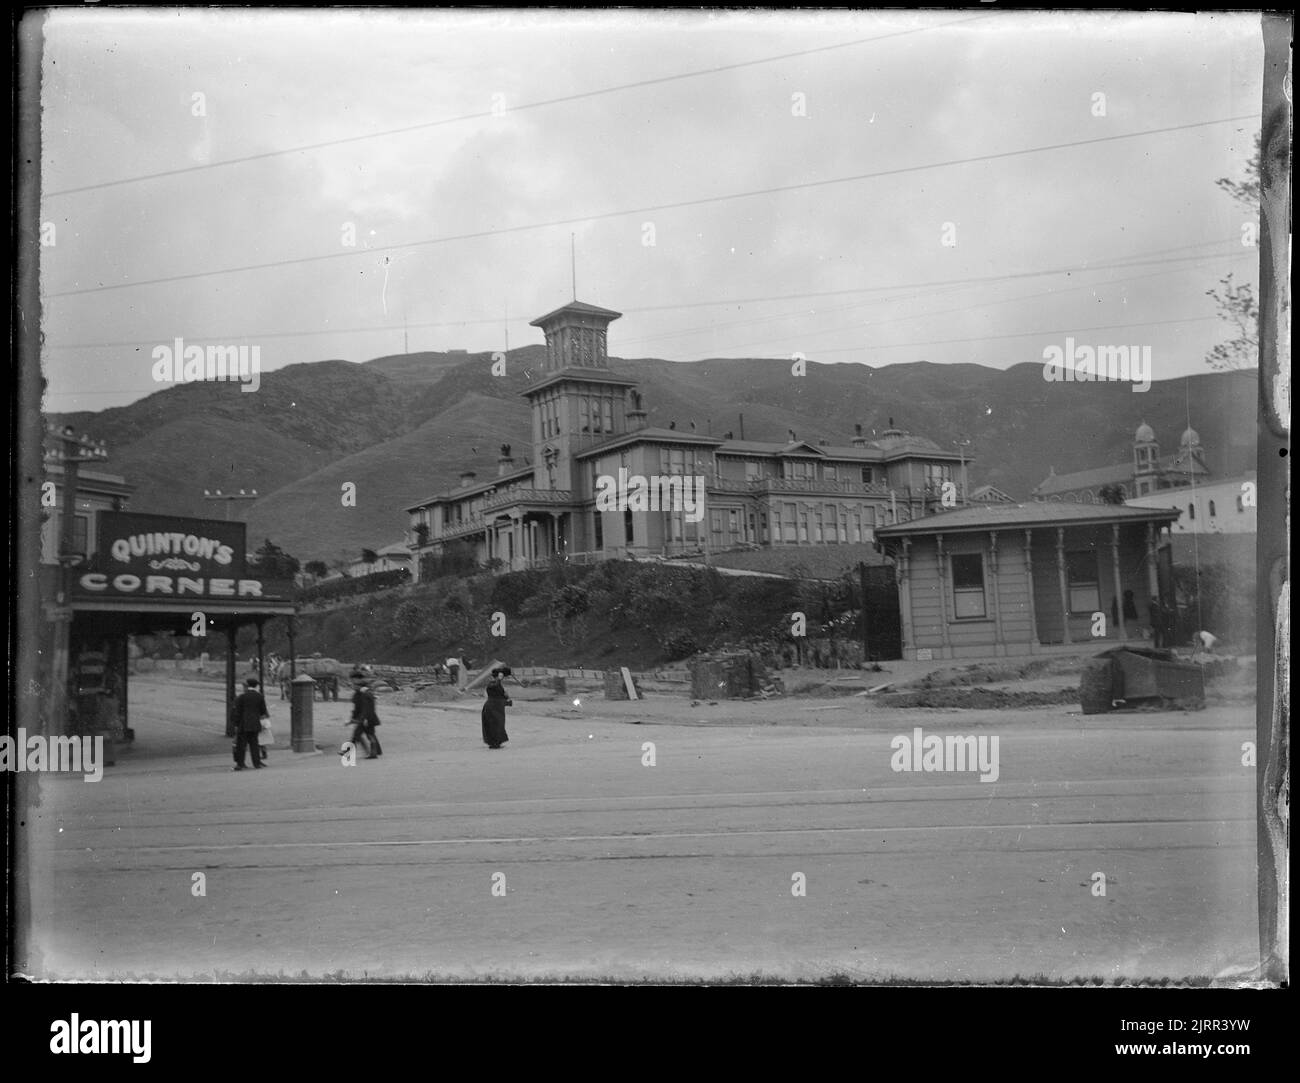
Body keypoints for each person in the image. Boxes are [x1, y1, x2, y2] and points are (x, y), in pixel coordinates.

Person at [230, 678, 269, 770]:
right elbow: (263, 711)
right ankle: (256, 763)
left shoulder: (242, 697)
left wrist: (236, 724)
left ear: (248, 685)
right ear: (256, 686)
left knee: (241, 745)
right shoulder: (259, 696)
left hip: (243, 724)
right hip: (255, 724)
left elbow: (237, 712)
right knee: (254, 744)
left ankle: (241, 763)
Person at [347, 675, 382, 759]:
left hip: (367, 719)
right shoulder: (363, 694)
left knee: (367, 735)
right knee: (363, 735)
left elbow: (366, 709)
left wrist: (363, 719)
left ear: (360, 686)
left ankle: (373, 752)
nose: (354, 687)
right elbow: (358, 708)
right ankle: (374, 752)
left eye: (356, 685)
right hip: (365, 718)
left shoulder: (365, 694)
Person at [481, 666, 513, 749]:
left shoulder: (497, 684)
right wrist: (499, 679)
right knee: (495, 725)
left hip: (497, 707)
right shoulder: (493, 683)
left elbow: (501, 697)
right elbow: (494, 688)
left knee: (498, 725)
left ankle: (496, 743)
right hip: (493, 708)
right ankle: (494, 743)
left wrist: (507, 698)